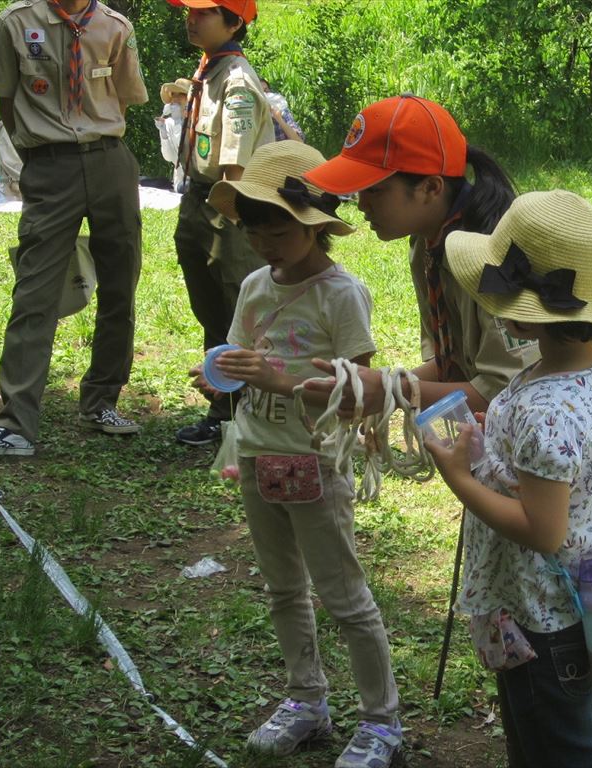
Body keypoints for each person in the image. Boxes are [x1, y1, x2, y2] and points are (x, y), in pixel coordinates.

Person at [302, 93, 592, 766]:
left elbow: (493, 384)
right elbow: (463, 364)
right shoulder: (434, 246)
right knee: (535, 601)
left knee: (580, 582)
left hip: (587, 403)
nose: (358, 206)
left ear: (427, 187)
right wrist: (385, 388)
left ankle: (581, 736)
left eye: (370, 190)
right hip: (527, 408)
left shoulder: (502, 271)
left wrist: (399, 400)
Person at [191, 140, 402, 767]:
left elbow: (358, 398)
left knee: (344, 596)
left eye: (278, 227)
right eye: (253, 226)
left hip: (314, 461)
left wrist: (279, 380)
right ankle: (306, 699)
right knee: (284, 590)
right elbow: (236, 359)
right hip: (257, 454)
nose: (264, 240)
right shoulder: (255, 283)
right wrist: (219, 378)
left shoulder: (342, 295)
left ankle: (382, 723)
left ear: (313, 225)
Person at [424, 189, 592, 768]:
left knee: (555, 748)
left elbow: (543, 530)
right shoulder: (579, 366)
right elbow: (541, 466)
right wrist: (489, 442)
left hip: (545, 623)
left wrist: (460, 476)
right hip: (554, 610)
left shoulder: (547, 409)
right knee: (538, 743)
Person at [0, 0, 147, 458]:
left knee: (120, 285)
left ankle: (102, 401)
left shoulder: (115, 27)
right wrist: (34, 149)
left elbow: (123, 96)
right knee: (34, 292)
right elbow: (7, 98)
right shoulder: (16, 23)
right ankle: (16, 425)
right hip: (49, 165)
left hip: (109, 161)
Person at [166, 0, 274, 447]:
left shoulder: (236, 81)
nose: (191, 19)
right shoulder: (208, 69)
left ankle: (245, 413)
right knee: (211, 309)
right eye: (189, 11)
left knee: (238, 311)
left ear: (234, 21)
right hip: (198, 199)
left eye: (204, 13)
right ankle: (225, 406)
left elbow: (235, 169)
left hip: (226, 206)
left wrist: (232, 224)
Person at [155, 77, 191, 192]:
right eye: (173, 95)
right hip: (181, 181)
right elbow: (169, 157)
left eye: (180, 94)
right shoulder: (169, 123)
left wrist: (178, 122)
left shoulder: (197, 121)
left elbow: (188, 151)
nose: (175, 98)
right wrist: (163, 133)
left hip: (198, 178)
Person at [259, 77, 305, 143]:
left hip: (287, 151)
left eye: (266, 90)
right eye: (261, 92)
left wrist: (279, 119)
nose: (265, 95)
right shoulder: (253, 116)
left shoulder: (281, 111)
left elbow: (299, 141)